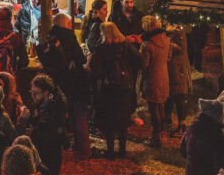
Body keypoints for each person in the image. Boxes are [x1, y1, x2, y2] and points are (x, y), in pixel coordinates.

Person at [35, 14, 89, 159]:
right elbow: (80, 58)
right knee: (78, 113)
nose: (71, 26)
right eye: (70, 23)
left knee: (60, 112)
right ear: (65, 24)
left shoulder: (50, 37)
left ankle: (63, 143)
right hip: (73, 81)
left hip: (57, 81)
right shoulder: (69, 37)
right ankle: (81, 148)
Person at [88, 21, 141, 159]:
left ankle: (110, 152)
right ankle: (122, 150)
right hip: (124, 88)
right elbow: (139, 60)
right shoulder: (125, 45)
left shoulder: (102, 47)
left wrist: (103, 77)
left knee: (109, 120)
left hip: (108, 89)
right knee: (123, 120)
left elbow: (95, 69)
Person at [25, 75, 68, 175]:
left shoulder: (54, 106)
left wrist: (33, 131)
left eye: (36, 92)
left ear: (46, 92)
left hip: (51, 148)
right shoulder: (41, 103)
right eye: (32, 92)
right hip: (42, 145)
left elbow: (51, 131)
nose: (33, 96)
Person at [180, 98, 224, 175]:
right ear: (216, 115)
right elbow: (222, 160)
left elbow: (183, 150)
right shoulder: (216, 133)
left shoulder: (191, 128)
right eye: (222, 113)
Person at [141, 15, 171, 148]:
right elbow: (169, 57)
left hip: (152, 79)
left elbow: (144, 64)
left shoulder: (147, 44)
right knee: (161, 107)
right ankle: (162, 134)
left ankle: (155, 138)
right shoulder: (167, 40)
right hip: (164, 77)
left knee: (154, 110)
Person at [167, 26, 192, 133]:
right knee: (172, 96)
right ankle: (170, 121)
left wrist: (167, 45)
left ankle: (181, 124)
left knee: (179, 97)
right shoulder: (172, 32)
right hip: (173, 69)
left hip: (178, 70)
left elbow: (181, 49)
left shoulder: (178, 31)